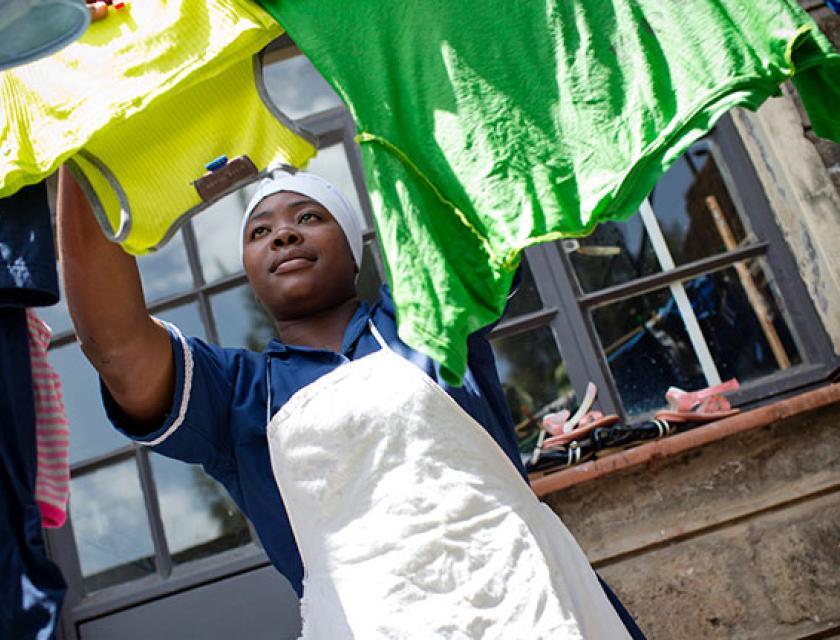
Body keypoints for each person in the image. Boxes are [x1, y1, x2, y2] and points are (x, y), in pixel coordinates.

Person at [57, 165, 644, 638]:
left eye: (307, 217)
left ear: (356, 244)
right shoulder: (235, 395)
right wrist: (90, 153)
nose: (283, 234)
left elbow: (478, 181)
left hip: (534, 600)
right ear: (248, 271)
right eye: (259, 231)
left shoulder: (424, 315)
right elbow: (114, 345)